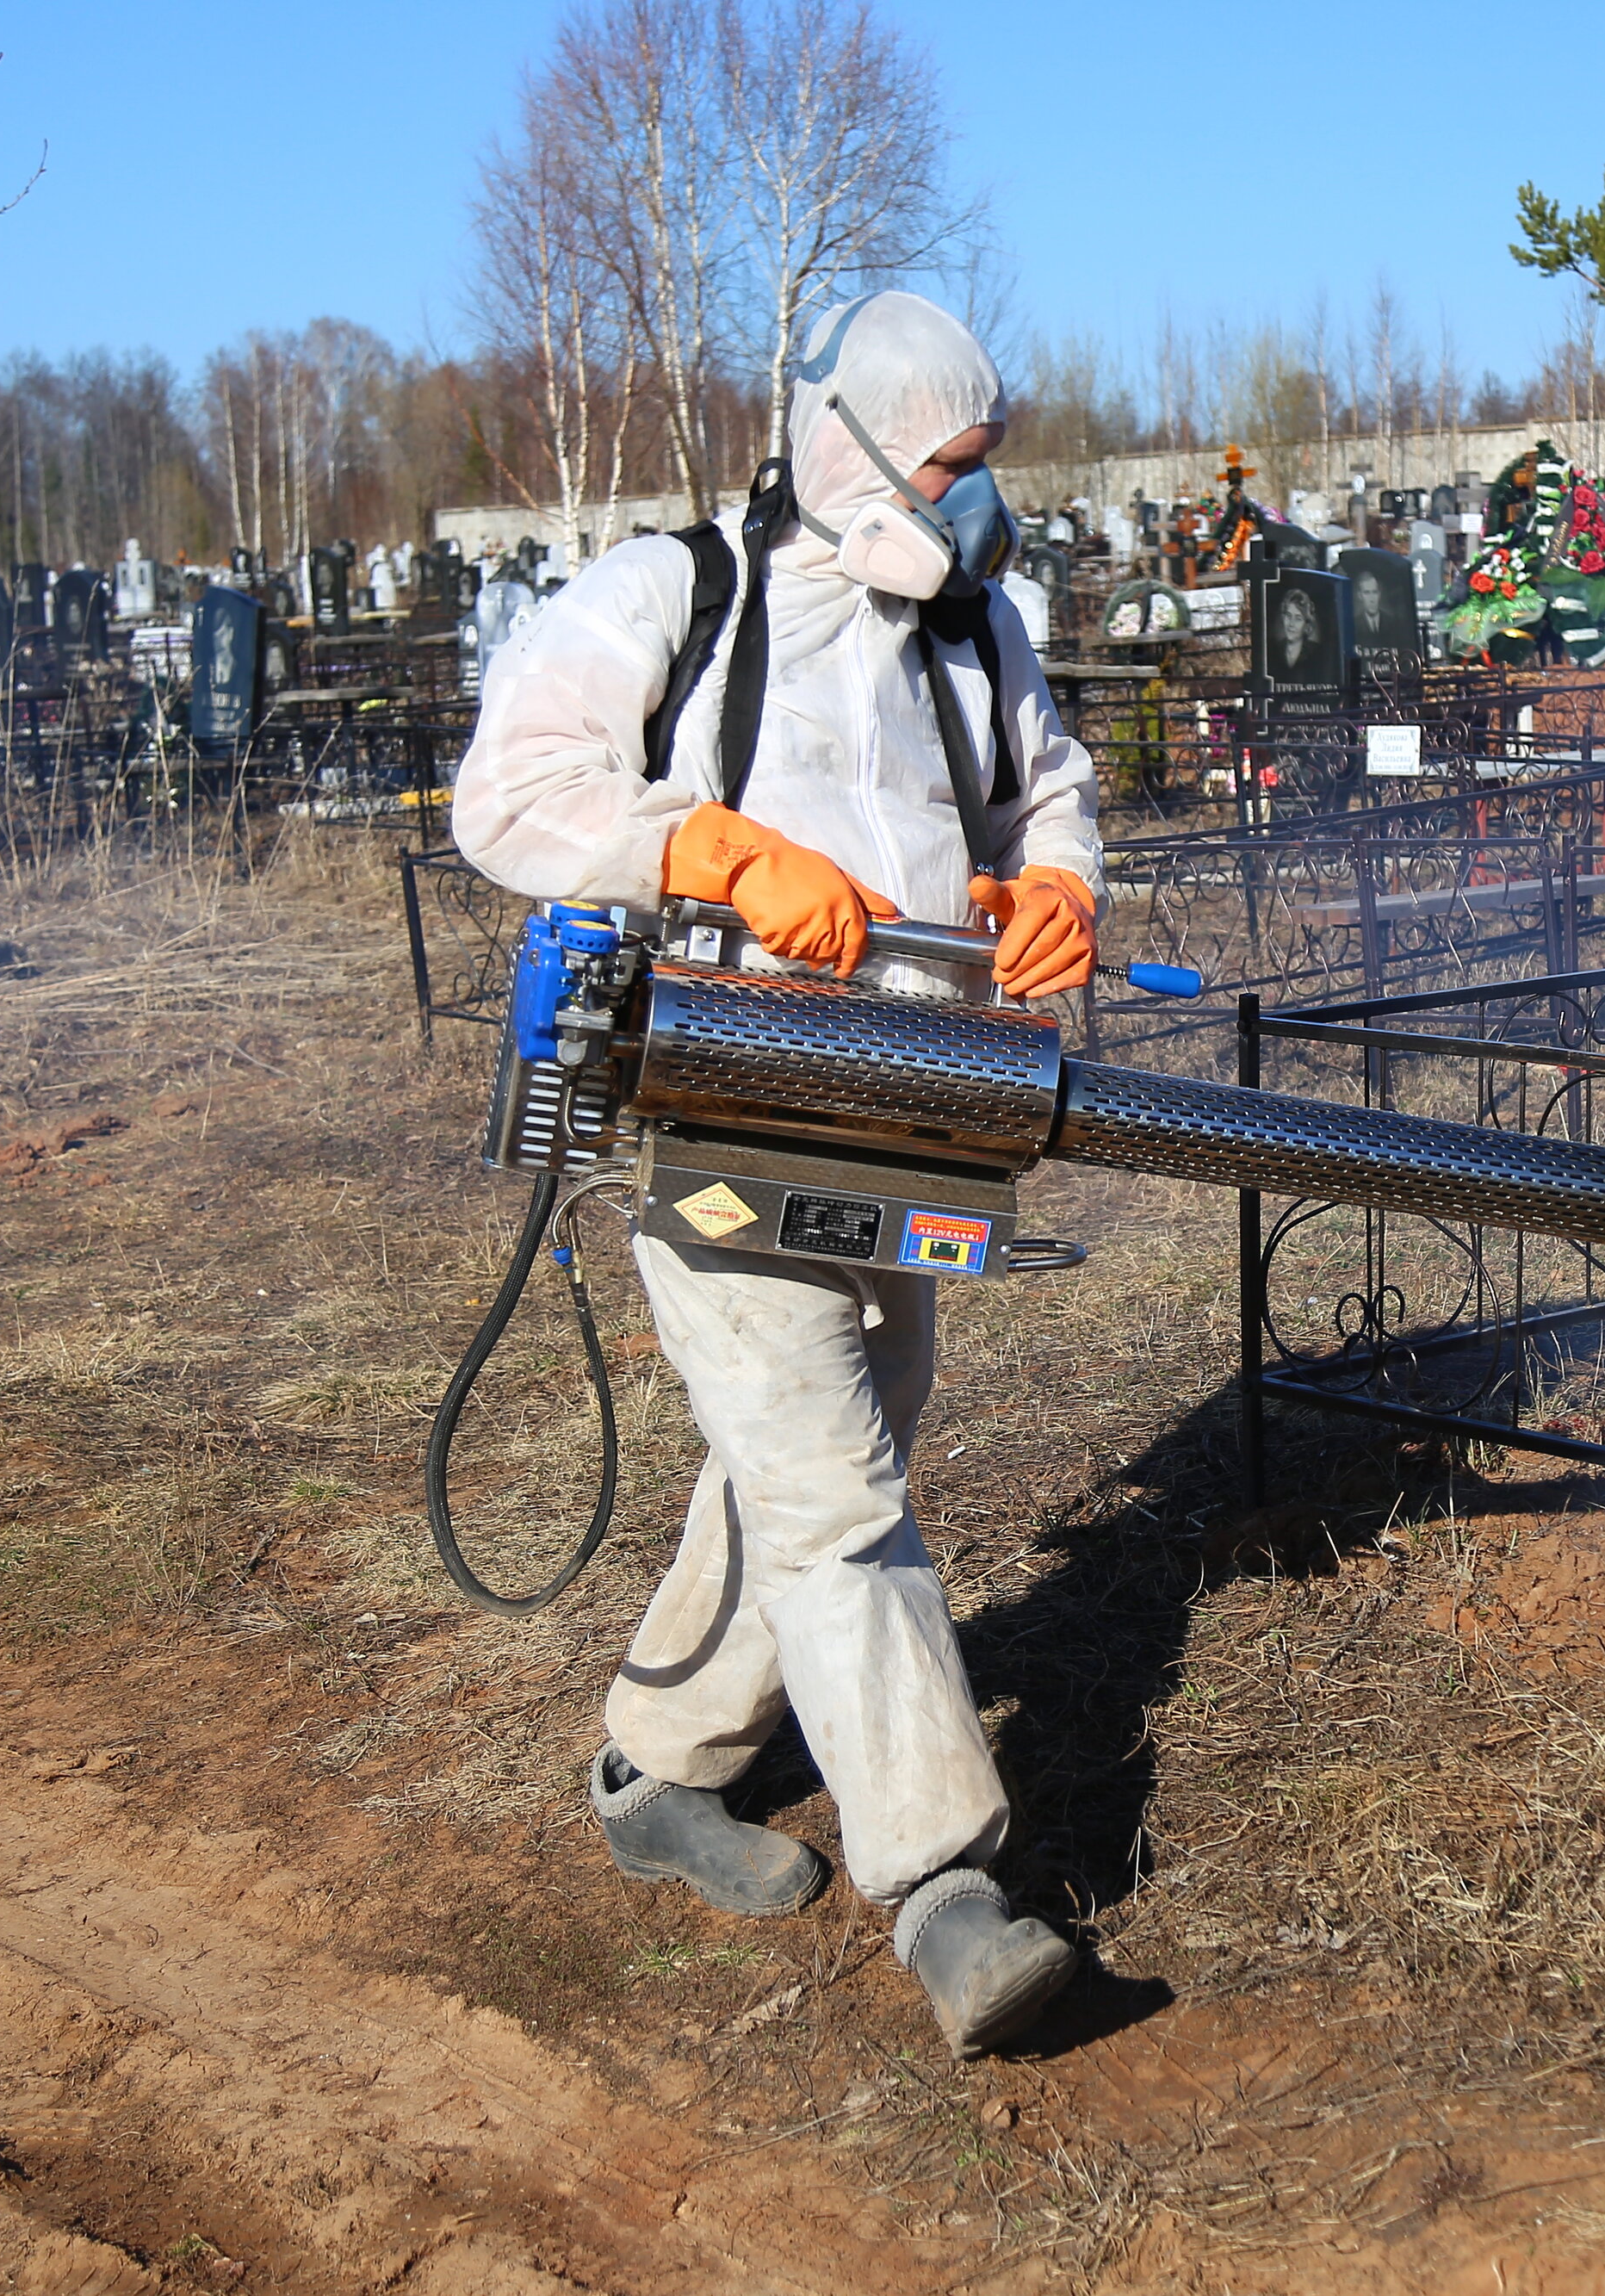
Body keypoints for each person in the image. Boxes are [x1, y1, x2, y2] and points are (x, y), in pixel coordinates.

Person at [450, 291, 1100, 2061]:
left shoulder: (973, 634)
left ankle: (658, 1764)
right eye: (957, 464)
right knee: (826, 1482)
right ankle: (947, 1888)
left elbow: (1050, 795)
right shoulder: (683, 598)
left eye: (985, 464)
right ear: (862, 448)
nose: (980, 497)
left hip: (910, 1107)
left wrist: (1058, 888)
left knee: (835, 1438)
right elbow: (500, 794)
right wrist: (708, 849)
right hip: (722, 1111)